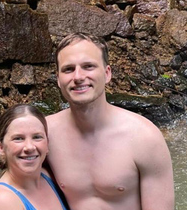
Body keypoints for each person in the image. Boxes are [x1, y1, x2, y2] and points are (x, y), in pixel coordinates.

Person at [46, 33, 175, 210]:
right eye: (68, 69)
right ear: (59, 79)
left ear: (107, 74)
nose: (78, 76)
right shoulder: (45, 134)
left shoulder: (144, 137)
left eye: (88, 66)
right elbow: (12, 187)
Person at [0, 104, 69, 210]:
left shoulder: (52, 176)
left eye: (37, 137)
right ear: (1, 148)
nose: (29, 147)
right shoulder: (1, 201)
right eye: (18, 138)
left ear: (47, 143)